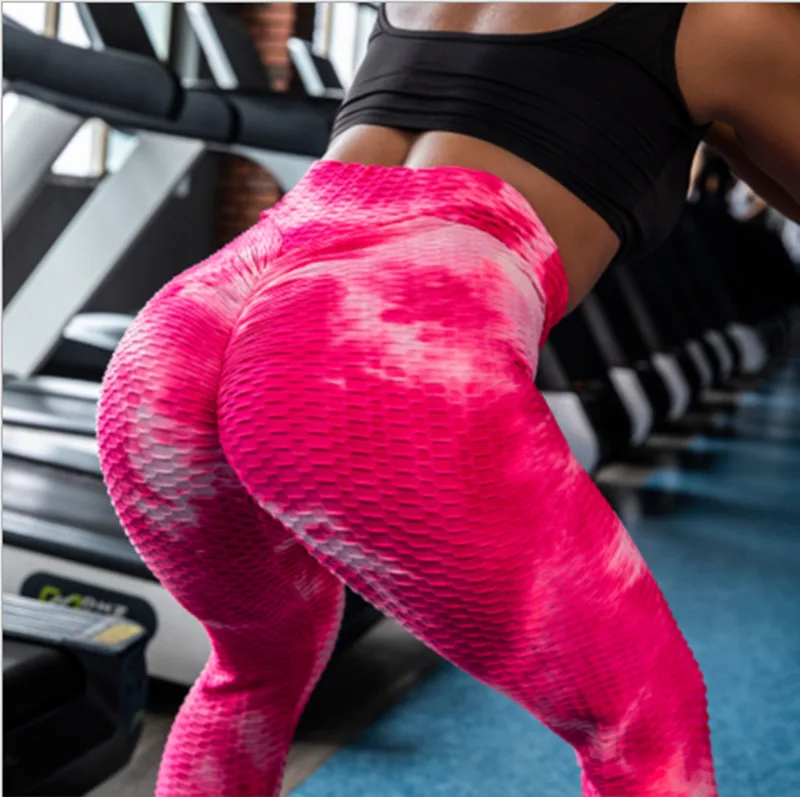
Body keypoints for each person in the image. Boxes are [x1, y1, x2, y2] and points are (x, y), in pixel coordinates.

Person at [97, 4, 800, 795]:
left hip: (178, 339)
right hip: (367, 351)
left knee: (254, 672)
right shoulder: (727, 19)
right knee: (643, 723)